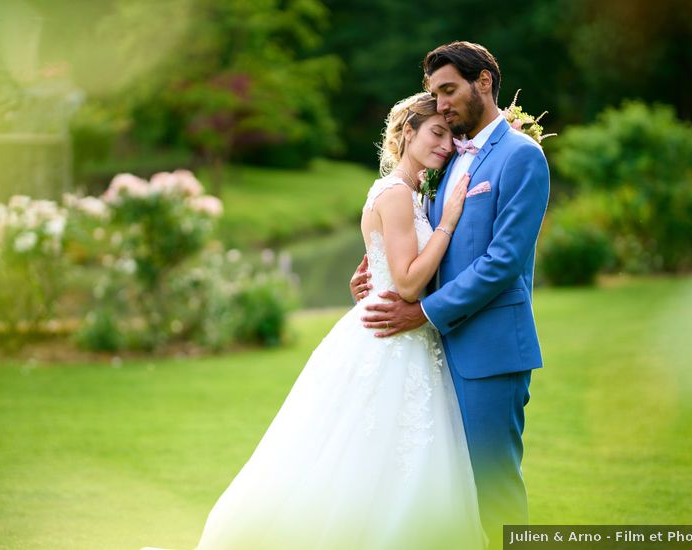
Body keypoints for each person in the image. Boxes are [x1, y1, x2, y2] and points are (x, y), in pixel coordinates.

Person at [190, 92, 486, 549]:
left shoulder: (406, 191)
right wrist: (447, 223)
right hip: (391, 337)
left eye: (451, 136)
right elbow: (407, 284)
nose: (446, 145)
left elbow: (389, 260)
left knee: (387, 460)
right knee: (367, 456)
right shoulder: (396, 194)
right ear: (408, 132)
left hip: (399, 333)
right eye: (437, 133)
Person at [351, 41, 550, 548]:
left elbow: (502, 263)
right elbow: (423, 237)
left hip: (488, 349)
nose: (440, 104)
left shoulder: (521, 157)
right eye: (434, 94)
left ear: (483, 82)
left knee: (492, 488)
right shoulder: (447, 159)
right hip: (436, 357)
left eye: (448, 90)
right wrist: (375, 276)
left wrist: (423, 312)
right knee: (441, 490)